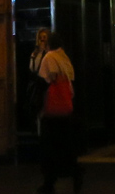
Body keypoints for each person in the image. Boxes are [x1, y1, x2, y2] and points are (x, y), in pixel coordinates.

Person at [35, 33, 79, 194]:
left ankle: (49, 181)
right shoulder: (64, 58)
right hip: (66, 108)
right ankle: (72, 172)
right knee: (64, 144)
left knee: (49, 145)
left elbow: (48, 78)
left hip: (52, 110)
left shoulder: (50, 57)